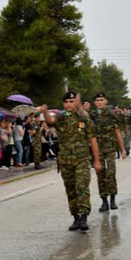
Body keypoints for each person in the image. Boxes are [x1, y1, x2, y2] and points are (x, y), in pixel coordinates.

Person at [41, 92, 101, 232]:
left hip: (82, 159)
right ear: (63, 104)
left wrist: (96, 161)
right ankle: (75, 217)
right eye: (66, 102)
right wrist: (44, 112)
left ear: (76, 103)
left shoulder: (84, 119)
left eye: (71, 101)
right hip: (65, 161)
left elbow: (93, 140)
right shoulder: (61, 118)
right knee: (71, 189)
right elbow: (50, 121)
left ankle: (84, 217)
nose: (69, 104)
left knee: (82, 188)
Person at [90, 92, 127, 213]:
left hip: (110, 148)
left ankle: (113, 199)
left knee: (111, 174)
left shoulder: (111, 115)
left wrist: (122, 149)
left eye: (101, 100)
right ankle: (104, 201)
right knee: (100, 175)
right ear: (95, 103)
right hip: (97, 150)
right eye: (97, 100)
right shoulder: (92, 116)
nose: (100, 102)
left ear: (105, 101)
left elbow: (117, 132)